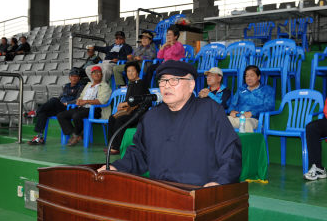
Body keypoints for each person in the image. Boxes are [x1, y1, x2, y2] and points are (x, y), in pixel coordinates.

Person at [98, 60, 242, 187]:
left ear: (191, 85)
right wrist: (116, 168)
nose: (166, 86)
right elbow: (139, 154)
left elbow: (231, 154)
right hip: (161, 193)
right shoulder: (151, 116)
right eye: (162, 80)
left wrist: (219, 182)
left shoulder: (210, 111)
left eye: (174, 80)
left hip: (200, 194)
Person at [57, 66, 112, 146]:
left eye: (98, 72)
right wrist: (79, 100)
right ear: (91, 75)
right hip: (83, 108)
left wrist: (86, 101)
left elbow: (101, 101)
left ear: (102, 75)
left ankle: (76, 135)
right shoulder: (88, 85)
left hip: (96, 109)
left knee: (77, 116)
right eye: (94, 73)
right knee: (61, 115)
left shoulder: (105, 86)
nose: (96, 74)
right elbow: (81, 96)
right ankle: (75, 134)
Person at [28, 69, 84, 145]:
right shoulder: (66, 86)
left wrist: (67, 103)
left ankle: (35, 112)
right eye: (72, 76)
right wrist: (60, 101)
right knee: (43, 113)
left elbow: (79, 100)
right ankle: (39, 137)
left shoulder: (81, 87)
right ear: (69, 77)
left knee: (53, 100)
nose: (74, 78)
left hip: (69, 109)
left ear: (79, 78)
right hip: (60, 107)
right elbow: (61, 97)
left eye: (76, 76)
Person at [107, 61, 150, 155]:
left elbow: (138, 100)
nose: (130, 73)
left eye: (132, 71)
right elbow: (128, 100)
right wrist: (122, 104)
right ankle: (111, 145)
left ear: (137, 72)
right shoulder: (131, 84)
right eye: (128, 71)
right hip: (130, 111)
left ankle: (117, 147)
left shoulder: (141, 83)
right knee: (112, 118)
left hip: (139, 113)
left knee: (120, 120)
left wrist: (125, 103)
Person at [227, 65, 275, 132]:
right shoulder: (241, 89)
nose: (249, 78)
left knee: (246, 123)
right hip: (238, 117)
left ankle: (248, 142)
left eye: (252, 75)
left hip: (255, 120)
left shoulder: (267, 90)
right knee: (222, 120)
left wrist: (252, 112)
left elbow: (269, 106)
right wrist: (232, 111)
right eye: (246, 76)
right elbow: (232, 104)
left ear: (258, 77)